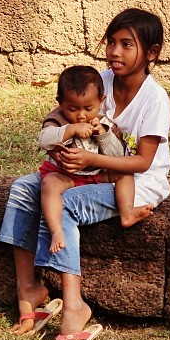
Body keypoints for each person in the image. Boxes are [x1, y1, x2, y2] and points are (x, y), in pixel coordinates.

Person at [0, 8, 170, 340]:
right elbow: (63, 114)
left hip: (134, 181)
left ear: (151, 53)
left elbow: (142, 161)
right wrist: (60, 145)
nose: (115, 52)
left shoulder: (155, 99)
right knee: (21, 189)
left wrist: (90, 157)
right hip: (86, 171)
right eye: (111, 43)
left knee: (65, 204)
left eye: (127, 45)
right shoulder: (99, 80)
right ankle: (29, 290)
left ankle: (75, 306)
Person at [38, 65, 153, 254]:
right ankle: (56, 231)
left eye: (88, 108)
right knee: (49, 186)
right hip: (65, 175)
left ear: (101, 101)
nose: (81, 115)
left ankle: (127, 212)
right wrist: (71, 130)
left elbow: (118, 156)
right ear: (60, 102)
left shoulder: (105, 123)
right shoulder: (58, 119)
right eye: (73, 108)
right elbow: (44, 139)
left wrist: (103, 135)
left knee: (125, 174)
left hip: (96, 174)